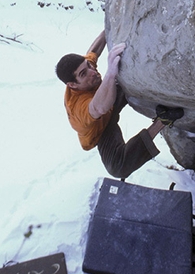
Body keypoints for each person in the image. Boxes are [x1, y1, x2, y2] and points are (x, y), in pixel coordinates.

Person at [55, 30, 184, 179]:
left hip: (107, 103)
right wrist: (110, 73)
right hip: (101, 129)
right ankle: (163, 120)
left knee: (120, 83)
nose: (92, 72)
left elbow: (94, 50)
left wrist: (108, 26)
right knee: (117, 167)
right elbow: (99, 107)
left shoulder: (86, 68)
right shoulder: (78, 109)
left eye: (89, 66)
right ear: (72, 85)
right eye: (84, 74)